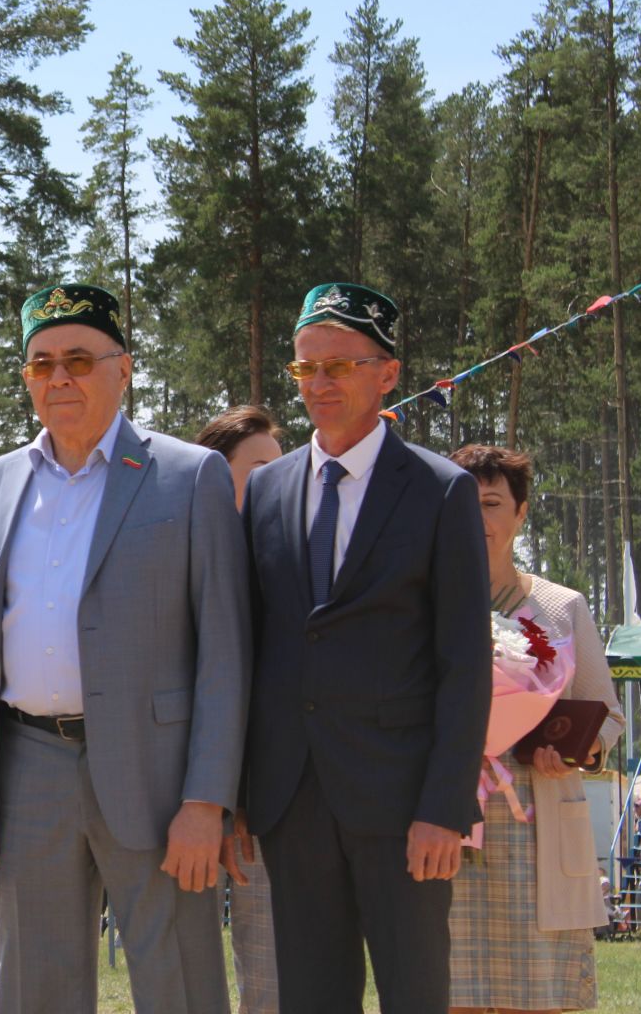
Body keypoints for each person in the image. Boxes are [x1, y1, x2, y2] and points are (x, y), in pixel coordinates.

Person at [0, 282, 250, 1014]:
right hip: (28, 770)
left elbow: (225, 654)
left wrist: (207, 801)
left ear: (125, 367)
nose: (59, 378)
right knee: (35, 988)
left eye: (78, 359)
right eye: (40, 364)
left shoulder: (188, 476)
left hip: (157, 776)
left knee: (179, 981)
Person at [240, 283, 491, 1013]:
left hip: (403, 802)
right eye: (305, 369)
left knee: (415, 993)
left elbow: (464, 661)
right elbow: (256, 646)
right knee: (311, 998)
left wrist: (446, 806)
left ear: (388, 373)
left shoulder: (442, 492)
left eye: (339, 367)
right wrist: (240, 798)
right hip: (292, 797)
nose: (318, 385)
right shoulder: (266, 491)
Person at [446, 444, 625, 1014]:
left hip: (538, 826)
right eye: (464, 503)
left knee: (540, 999)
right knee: (452, 993)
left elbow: (610, 717)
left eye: (493, 503)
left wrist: (582, 752)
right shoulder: (426, 604)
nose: (479, 519)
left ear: (522, 514)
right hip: (450, 824)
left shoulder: (561, 607)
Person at [194, 405, 286, 1014]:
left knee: (274, 976)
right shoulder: (168, 561)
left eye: (281, 469)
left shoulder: (290, 567)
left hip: (271, 809)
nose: (276, 482)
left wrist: (250, 797)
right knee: (184, 977)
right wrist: (209, 803)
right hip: (179, 811)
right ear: (210, 474)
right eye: (259, 470)